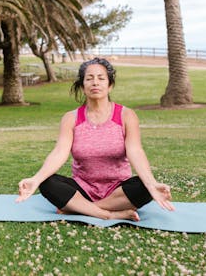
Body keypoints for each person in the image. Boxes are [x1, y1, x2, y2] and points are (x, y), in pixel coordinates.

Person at [16, 58, 175, 221]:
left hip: (117, 190)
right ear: (82, 86)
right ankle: (108, 214)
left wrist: (151, 184)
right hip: (82, 189)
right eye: (89, 78)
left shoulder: (126, 115)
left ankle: (79, 208)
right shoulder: (71, 118)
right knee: (47, 182)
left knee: (144, 186)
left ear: (110, 85)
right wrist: (35, 179)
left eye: (101, 78)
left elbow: (135, 151)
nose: (95, 83)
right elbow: (60, 152)